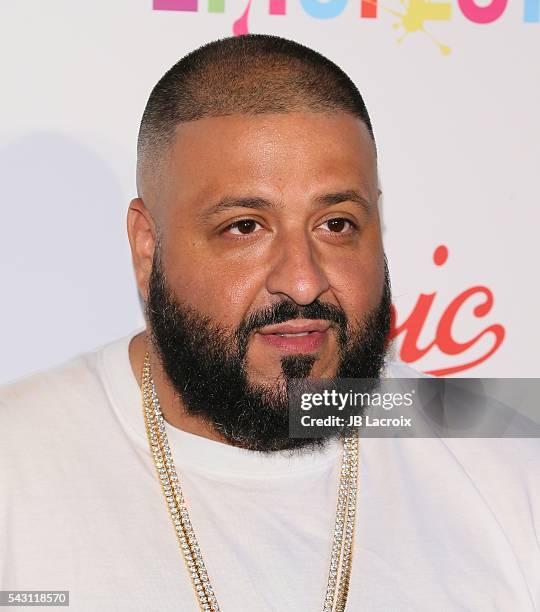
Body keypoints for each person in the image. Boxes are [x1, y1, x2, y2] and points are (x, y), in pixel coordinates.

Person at [0, 34, 538, 612]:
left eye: (336, 223)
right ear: (148, 246)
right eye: (245, 227)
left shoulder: (500, 456)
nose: (303, 281)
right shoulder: (17, 465)